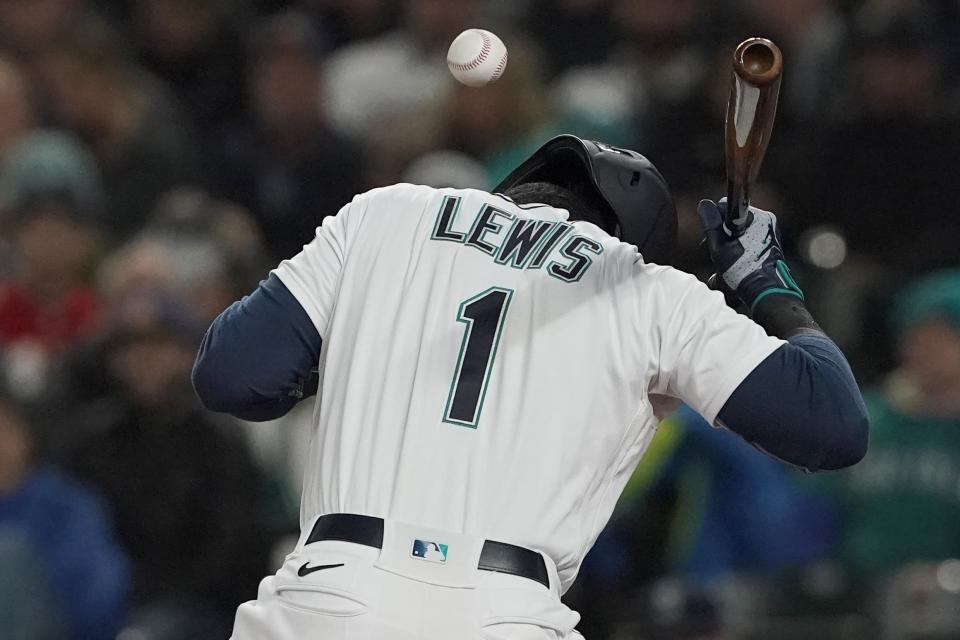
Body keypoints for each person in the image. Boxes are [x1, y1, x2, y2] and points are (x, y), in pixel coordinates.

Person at [193, 134, 868, 639]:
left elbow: (232, 377)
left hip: (327, 600)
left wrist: (353, 360)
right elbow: (832, 426)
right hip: (505, 613)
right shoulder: (648, 290)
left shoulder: (386, 216)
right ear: (632, 240)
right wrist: (768, 287)